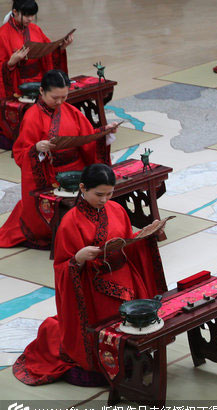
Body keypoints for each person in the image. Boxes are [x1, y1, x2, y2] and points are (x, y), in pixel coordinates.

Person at [12, 163, 167, 387]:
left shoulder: (117, 210)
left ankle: (129, 355)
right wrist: (78, 258)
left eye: (110, 193)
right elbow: (62, 267)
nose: (105, 200)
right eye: (99, 194)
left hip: (124, 281)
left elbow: (127, 244)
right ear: (83, 188)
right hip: (93, 289)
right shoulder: (70, 222)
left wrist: (147, 235)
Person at [0, 71, 117, 249]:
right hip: (50, 174)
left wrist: (103, 133)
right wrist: (36, 148)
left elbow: (88, 137)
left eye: (64, 97)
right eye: (55, 97)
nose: (60, 102)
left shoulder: (71, 111)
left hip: (78, 168)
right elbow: (21, 153)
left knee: (99, 187)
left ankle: (90, 230)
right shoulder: (32, 116)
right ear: (42, 91)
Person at [0, 0, 72, 100]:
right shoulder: (3, 34)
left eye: (33, 15)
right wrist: (11, 63)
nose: (30, 19)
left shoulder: (35, 29)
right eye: (27, 15)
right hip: (18, 83)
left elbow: (48, 51)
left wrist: (61, 48)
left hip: (40, 80)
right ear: (15, 12)